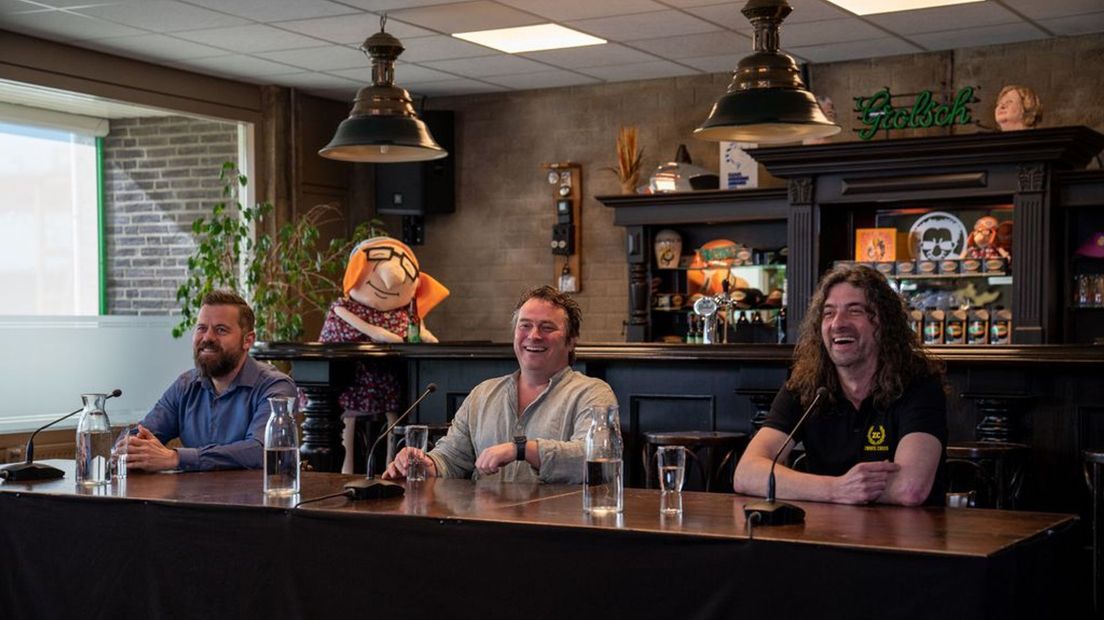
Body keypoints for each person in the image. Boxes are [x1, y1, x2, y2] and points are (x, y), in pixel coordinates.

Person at [733, 264, 947, 506]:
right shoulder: (806, 385)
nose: (838, 323)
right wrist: (835, 489)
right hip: (824, 536)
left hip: (905, 539)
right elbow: (746, 473)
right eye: (828, 313)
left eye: (854, 311)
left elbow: (909, 488)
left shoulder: (918, 384)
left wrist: (804, 486)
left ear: (883, 323)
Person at [383, 286, 617, 484]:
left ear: (571, 340)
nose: (534, 335)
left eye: (547, 327)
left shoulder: (592, 394)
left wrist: (522, 449)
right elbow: (451, 459)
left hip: (555, 531)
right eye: (525, 325)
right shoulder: (483, 394)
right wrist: (424, 464)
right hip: (484, 528)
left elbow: (595, 459)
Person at [125, 290, 297, 472]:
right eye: (201, 328)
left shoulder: (276, 387)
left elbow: (262, 450)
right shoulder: (185, 385)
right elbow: (144, 434)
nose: (207, 338)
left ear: (247, 340)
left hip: (257, 498)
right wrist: (127, 448)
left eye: (221, 330)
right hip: (193, 498)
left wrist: (176, 458)